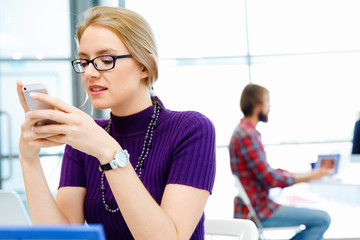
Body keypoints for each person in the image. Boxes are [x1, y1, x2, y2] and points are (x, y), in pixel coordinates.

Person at [16, 6, 216, 240]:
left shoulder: (191, 129)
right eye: (84, 61)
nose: (90, 72)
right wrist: (28, 159)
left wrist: (108, 152)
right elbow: (61, 236)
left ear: (144, 65)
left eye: (105, 60)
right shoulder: (86, 139)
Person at [229, 84, 332, 240]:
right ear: (258, 105)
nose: (269, 107)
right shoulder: (246, 135)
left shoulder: (245, 131)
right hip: (260, 210)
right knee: (322, 219)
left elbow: (264, 172)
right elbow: (270, 178)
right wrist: (310, 176)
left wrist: (302, 174)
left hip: (258, 205)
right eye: (267, 101)